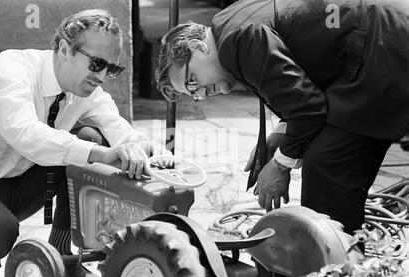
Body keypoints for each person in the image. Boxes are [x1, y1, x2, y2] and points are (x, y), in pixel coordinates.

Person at [156, 0, 409, 237]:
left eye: (192, 82)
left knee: (327, 164)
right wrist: (282, 133)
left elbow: (308, 108)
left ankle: (336, 274)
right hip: (377, 39)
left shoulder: (238, 40)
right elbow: (296, 78)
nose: (201, 93)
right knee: (325, 155)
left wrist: (280, 164)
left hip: (382, 48)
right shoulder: (228, 25)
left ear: (198, 48)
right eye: (192, 94)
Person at [0, 9, 168, 277]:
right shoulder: (7, 71)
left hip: (17, 176)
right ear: (65, 48)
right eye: (97, 63)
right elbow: (27, 135)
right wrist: (98, 153)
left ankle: (63, 256)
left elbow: (121, 131)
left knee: (91, 139)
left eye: (112, 69)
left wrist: (151, 152)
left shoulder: (85, 90)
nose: (103, 76)